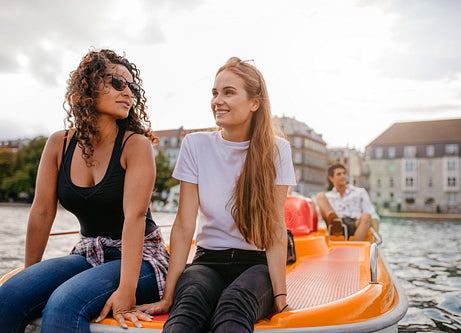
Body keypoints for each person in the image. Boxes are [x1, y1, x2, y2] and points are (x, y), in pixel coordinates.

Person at [0, 49, 169, 332]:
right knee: (8, 297)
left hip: (141, 260)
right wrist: (31, 276)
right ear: (89, 87)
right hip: (90, 252)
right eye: (117, 82)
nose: (128, 92)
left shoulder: (135, 145)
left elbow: (135, 217)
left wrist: (126, 291)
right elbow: (41, 211)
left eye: (133, 87)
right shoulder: (59, 144)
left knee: (64, 304)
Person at [137, 57, 296, 333]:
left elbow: (274, 228)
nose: (217, 100)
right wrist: (168, 296)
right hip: (207, 261)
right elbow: (185, 226)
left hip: (256, 264)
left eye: (229, 92)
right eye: (214, 92)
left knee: (233, 307)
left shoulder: (277, 150)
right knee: (186, 310)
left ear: (254, 103)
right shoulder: (195, 144)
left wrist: (280, 299)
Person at [316, 163, 379, 241]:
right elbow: (317, 216)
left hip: (355, 224)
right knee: (320, 196)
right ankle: (334, 220)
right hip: (334, 226)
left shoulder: (359, 192)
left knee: (366, 215)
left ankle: (355, 246)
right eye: (339, 174)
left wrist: (376, 233)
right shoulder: (327, 197)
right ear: (331, 178)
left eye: (344, 173)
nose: (343, 176)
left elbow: (372, 213)